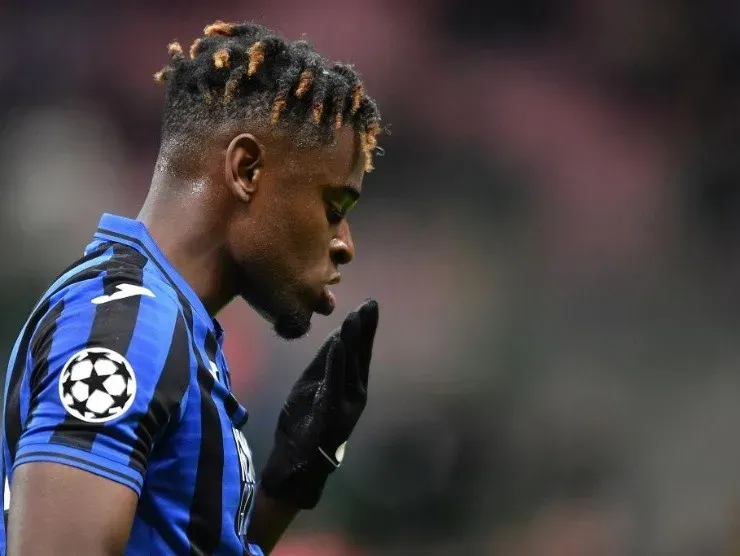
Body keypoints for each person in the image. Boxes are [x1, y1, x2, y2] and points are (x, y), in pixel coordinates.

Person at [0, 19, 382, 555]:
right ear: (246, 169)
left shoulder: (172, 333)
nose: (344, 244)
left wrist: (287, 487)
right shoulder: (127, 326)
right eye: (333, 207)